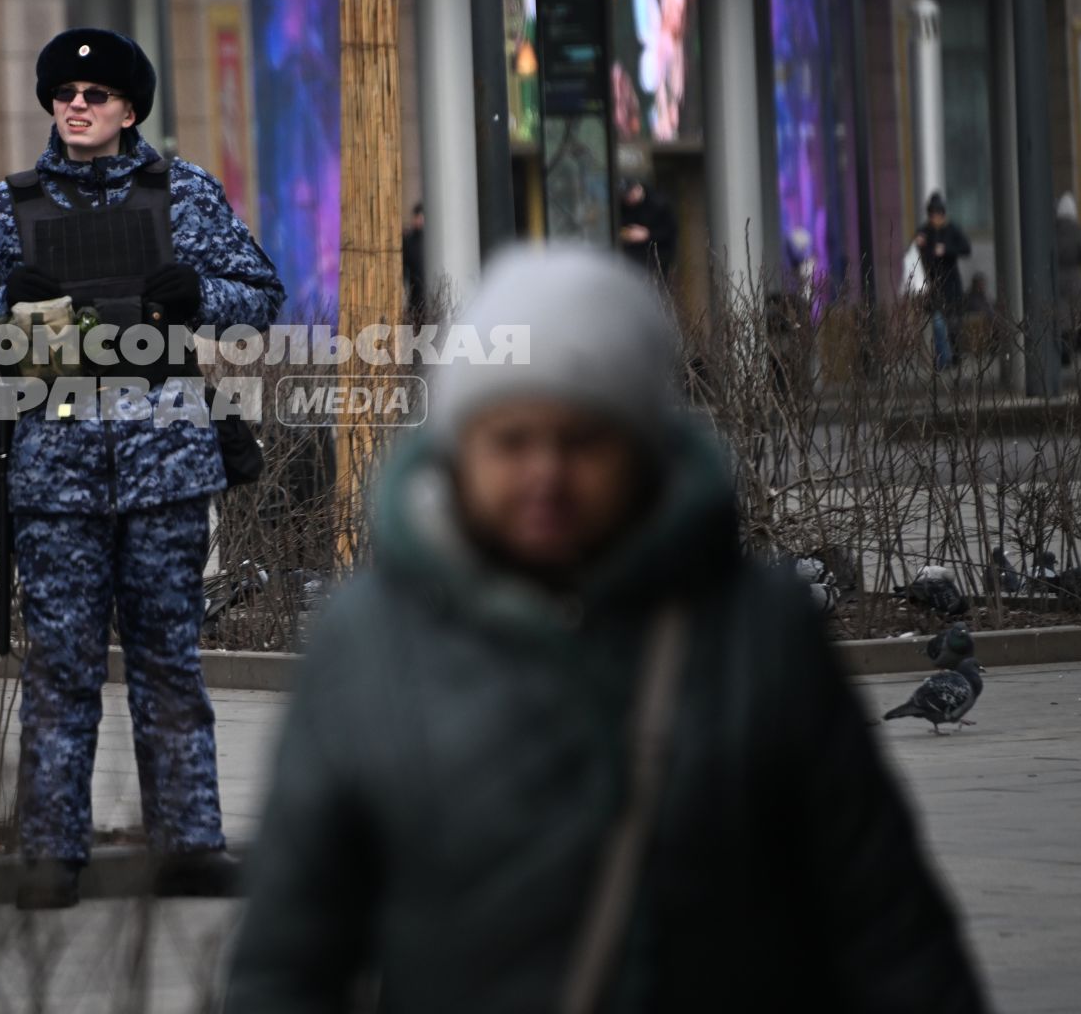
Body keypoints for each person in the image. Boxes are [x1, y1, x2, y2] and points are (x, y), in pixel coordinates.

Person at [223, 245, 988, 1014]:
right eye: (512, 440)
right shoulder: (367, 647)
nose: (545, 473)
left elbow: (889, 932)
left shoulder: (757, 638)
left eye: (583, 439)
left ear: (640, 447)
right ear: (460, 452)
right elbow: (289, 958)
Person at [0, 27, 286, 909]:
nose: (76, 105)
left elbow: (262, 296)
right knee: (62, 665)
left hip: (166, 464)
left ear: (129, 110)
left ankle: (191, 843)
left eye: (95, 95)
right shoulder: (6, 208)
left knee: (169, 659)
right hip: (56, 468)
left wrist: (199, 296)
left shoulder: (185, 194)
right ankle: (52, 851)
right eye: (63, 94)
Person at [914, 191, 971, 370]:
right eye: (932, 214)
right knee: (938, 323)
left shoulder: (952, 230)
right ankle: (943, 359)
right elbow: (916, 250)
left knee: (954, 325)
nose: (935, 218)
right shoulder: (926, 231)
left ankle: (954, 356)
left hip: (951, 284)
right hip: (934, 286)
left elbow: (965, 249)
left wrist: (946, 250)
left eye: (938, 214)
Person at [617, 175, 676, 283]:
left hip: (657, 259)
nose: (628, 199)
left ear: (637, 188)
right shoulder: (623, 207)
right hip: (632, 259)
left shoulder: (658, 203)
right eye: (625, 197)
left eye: (629, 195)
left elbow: (670, 231)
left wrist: (647, 234)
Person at [1056, 191, 1081, 362]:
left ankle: (1061, 349)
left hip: (1057, 277)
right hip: (1075, 278)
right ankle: (1070, 349)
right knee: (1074, 315)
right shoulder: (1077, 231)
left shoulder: (1054, 229)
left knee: (1061, 315)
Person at [401, 202, 426, 319]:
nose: (418, 220)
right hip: (415, 293)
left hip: (427, 292)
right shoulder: (409, 241)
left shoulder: (429, 240)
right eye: (416, 216)